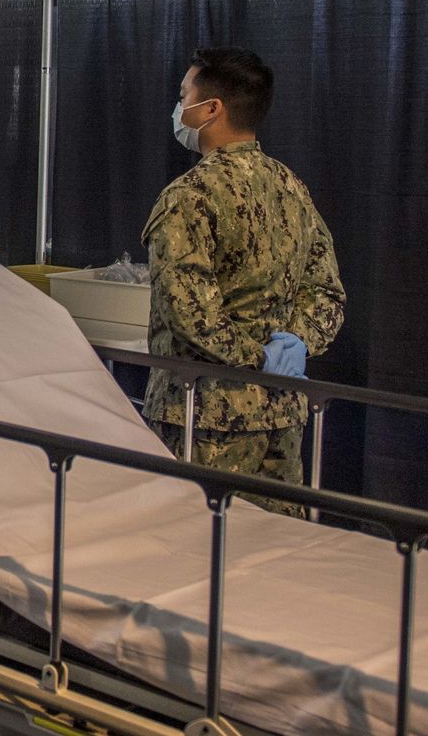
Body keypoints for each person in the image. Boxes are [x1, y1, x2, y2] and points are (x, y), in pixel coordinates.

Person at [142, 46, 346, 515]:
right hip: (282, 414)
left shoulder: (189, 196)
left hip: (205, 416)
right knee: (274, 559)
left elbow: (188, 312)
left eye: (183, 95)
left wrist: (254, 358)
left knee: (197, 551)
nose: (179, 108)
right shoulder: (291, 187)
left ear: (211, 109)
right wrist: (295, 345)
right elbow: (327, 293)